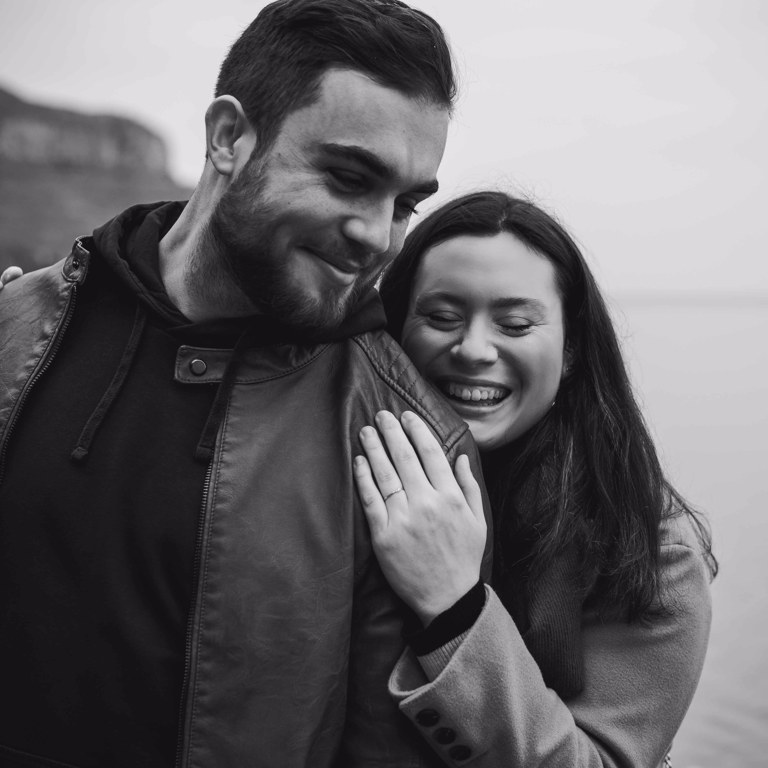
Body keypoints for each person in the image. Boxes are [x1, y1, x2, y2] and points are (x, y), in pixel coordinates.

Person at [0, 3, 493, 767]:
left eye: (403, 204)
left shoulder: (408, 443)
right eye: (348, 177)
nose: (376, 234)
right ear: (229, 137)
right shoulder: (19, 324)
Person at [353, 191, 716, 768]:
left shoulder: (651, 551)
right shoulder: (346, 476)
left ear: (571, 350)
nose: (473, 349)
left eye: (516, 324)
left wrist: (453, 610)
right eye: (441, 318)